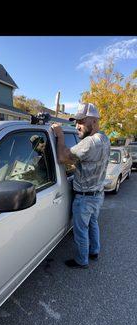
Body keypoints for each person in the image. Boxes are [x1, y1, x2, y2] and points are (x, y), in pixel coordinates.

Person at [51, 102, 110, 269]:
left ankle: (81, 260)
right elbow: (87, 161)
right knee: (93, 223)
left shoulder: (89, 143)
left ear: (94, 121)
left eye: (82, 121)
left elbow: (62, 158)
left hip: (84, 198)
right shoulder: (104, 138)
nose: (77, 126)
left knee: (81, 231)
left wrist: (60, 135)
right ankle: (95, 251)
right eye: (76, 121)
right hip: (98, 194)